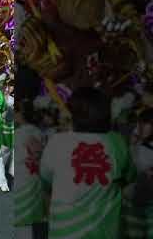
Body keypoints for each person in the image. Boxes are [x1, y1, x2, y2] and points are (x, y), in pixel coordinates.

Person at [41, 87, 136, 238]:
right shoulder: (117, 142)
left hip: (65, 231)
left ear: (73, 114)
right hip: (106, 231)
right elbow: (129, 178)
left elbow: (46, 180)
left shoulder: (57, 142)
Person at [14, 100, 45, 239]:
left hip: (21, 177)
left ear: (21, 114)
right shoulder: (38, 132)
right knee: (33, 212)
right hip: (35, 175)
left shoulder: (18, 134)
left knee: (22, 218)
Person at [122, 109, 153, 238]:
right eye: (139, 123)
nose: (140, 128)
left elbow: (136, 167)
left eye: (145, 124)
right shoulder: (140, 141)